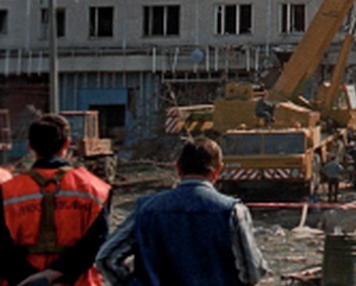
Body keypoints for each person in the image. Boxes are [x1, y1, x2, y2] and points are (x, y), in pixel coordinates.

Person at [96, 136, 265, 286]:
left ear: (178, 168)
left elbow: (107, 258)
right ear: (218, 170)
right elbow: (253, 273)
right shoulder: (233, 211)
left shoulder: (146, 210)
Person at [0, 114, 111, 286]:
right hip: (78, 281)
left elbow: (3, 249)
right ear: (67, 143)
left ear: (30, 146)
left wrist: (32, 280)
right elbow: (97, 242)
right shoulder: (94, 189)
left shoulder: (7, 191)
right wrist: (57, 274)